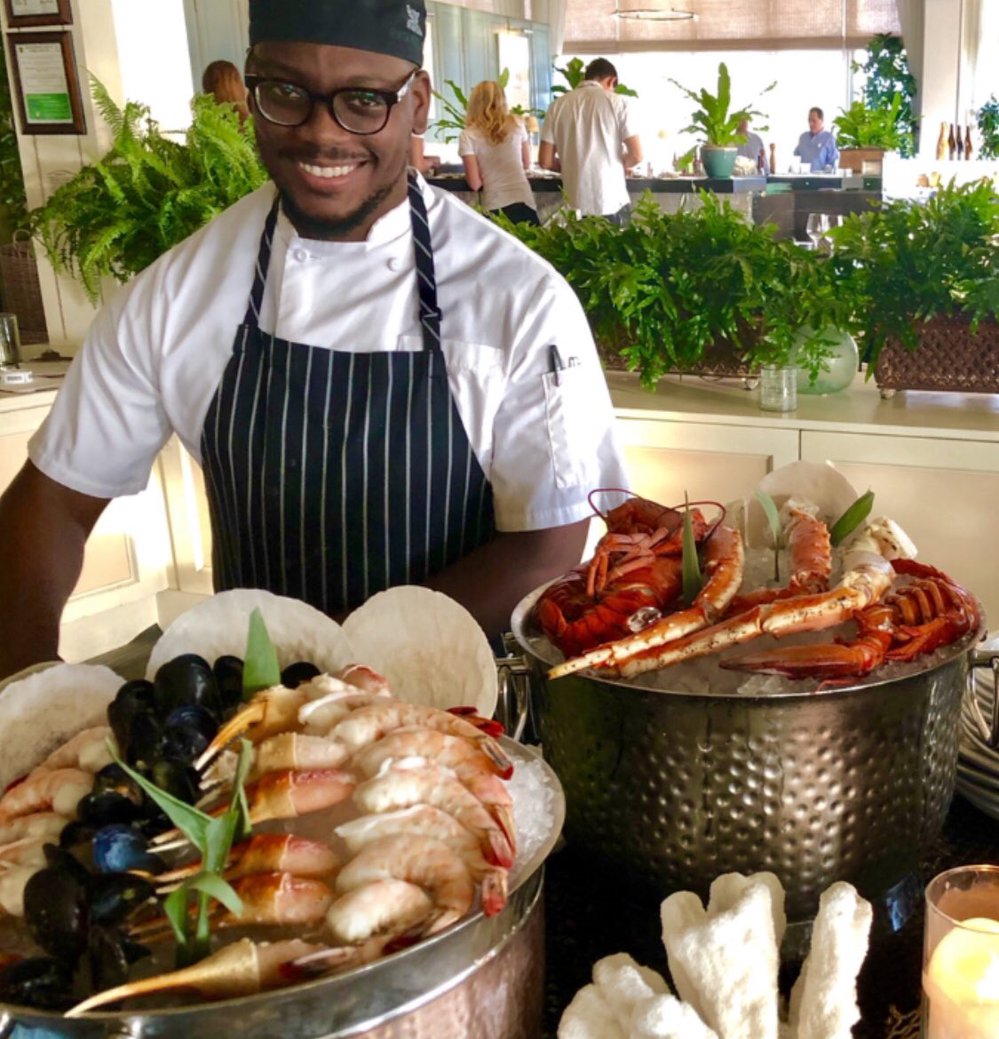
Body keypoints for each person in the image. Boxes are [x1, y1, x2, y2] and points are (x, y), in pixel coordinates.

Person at [0, 0, 627, 677]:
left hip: (460, 725)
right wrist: (25, 692)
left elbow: (546, 544)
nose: (322, 134)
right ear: (249, 92)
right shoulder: (180, 291)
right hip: (250, 733)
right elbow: (56, 499)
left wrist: (328, 675)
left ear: (416, 104)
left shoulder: (517, 298)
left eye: (363, 100)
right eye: (286, 93)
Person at [538, 57, 642, 223]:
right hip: (612, 201)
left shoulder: (557, 106)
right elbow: (636, 155)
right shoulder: (618, 102)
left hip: (574, 205)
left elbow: (545, 161)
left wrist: (572, 166)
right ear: (611, 80)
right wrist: (621, 164)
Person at [459, 80, 539, 225]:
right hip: (524, 201)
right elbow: (526, 164)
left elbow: (475, 183)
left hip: (495, 206)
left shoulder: (468, 135)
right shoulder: (518, 123)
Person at [794, 107, 839, 172]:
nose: (811, 124)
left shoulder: (829, 138)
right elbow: (795, 158)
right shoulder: (803, 137)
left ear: (821, 120)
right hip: (802, 178)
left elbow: (833, 162)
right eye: (809, 121)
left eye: (814, 121)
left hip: (821, 179)